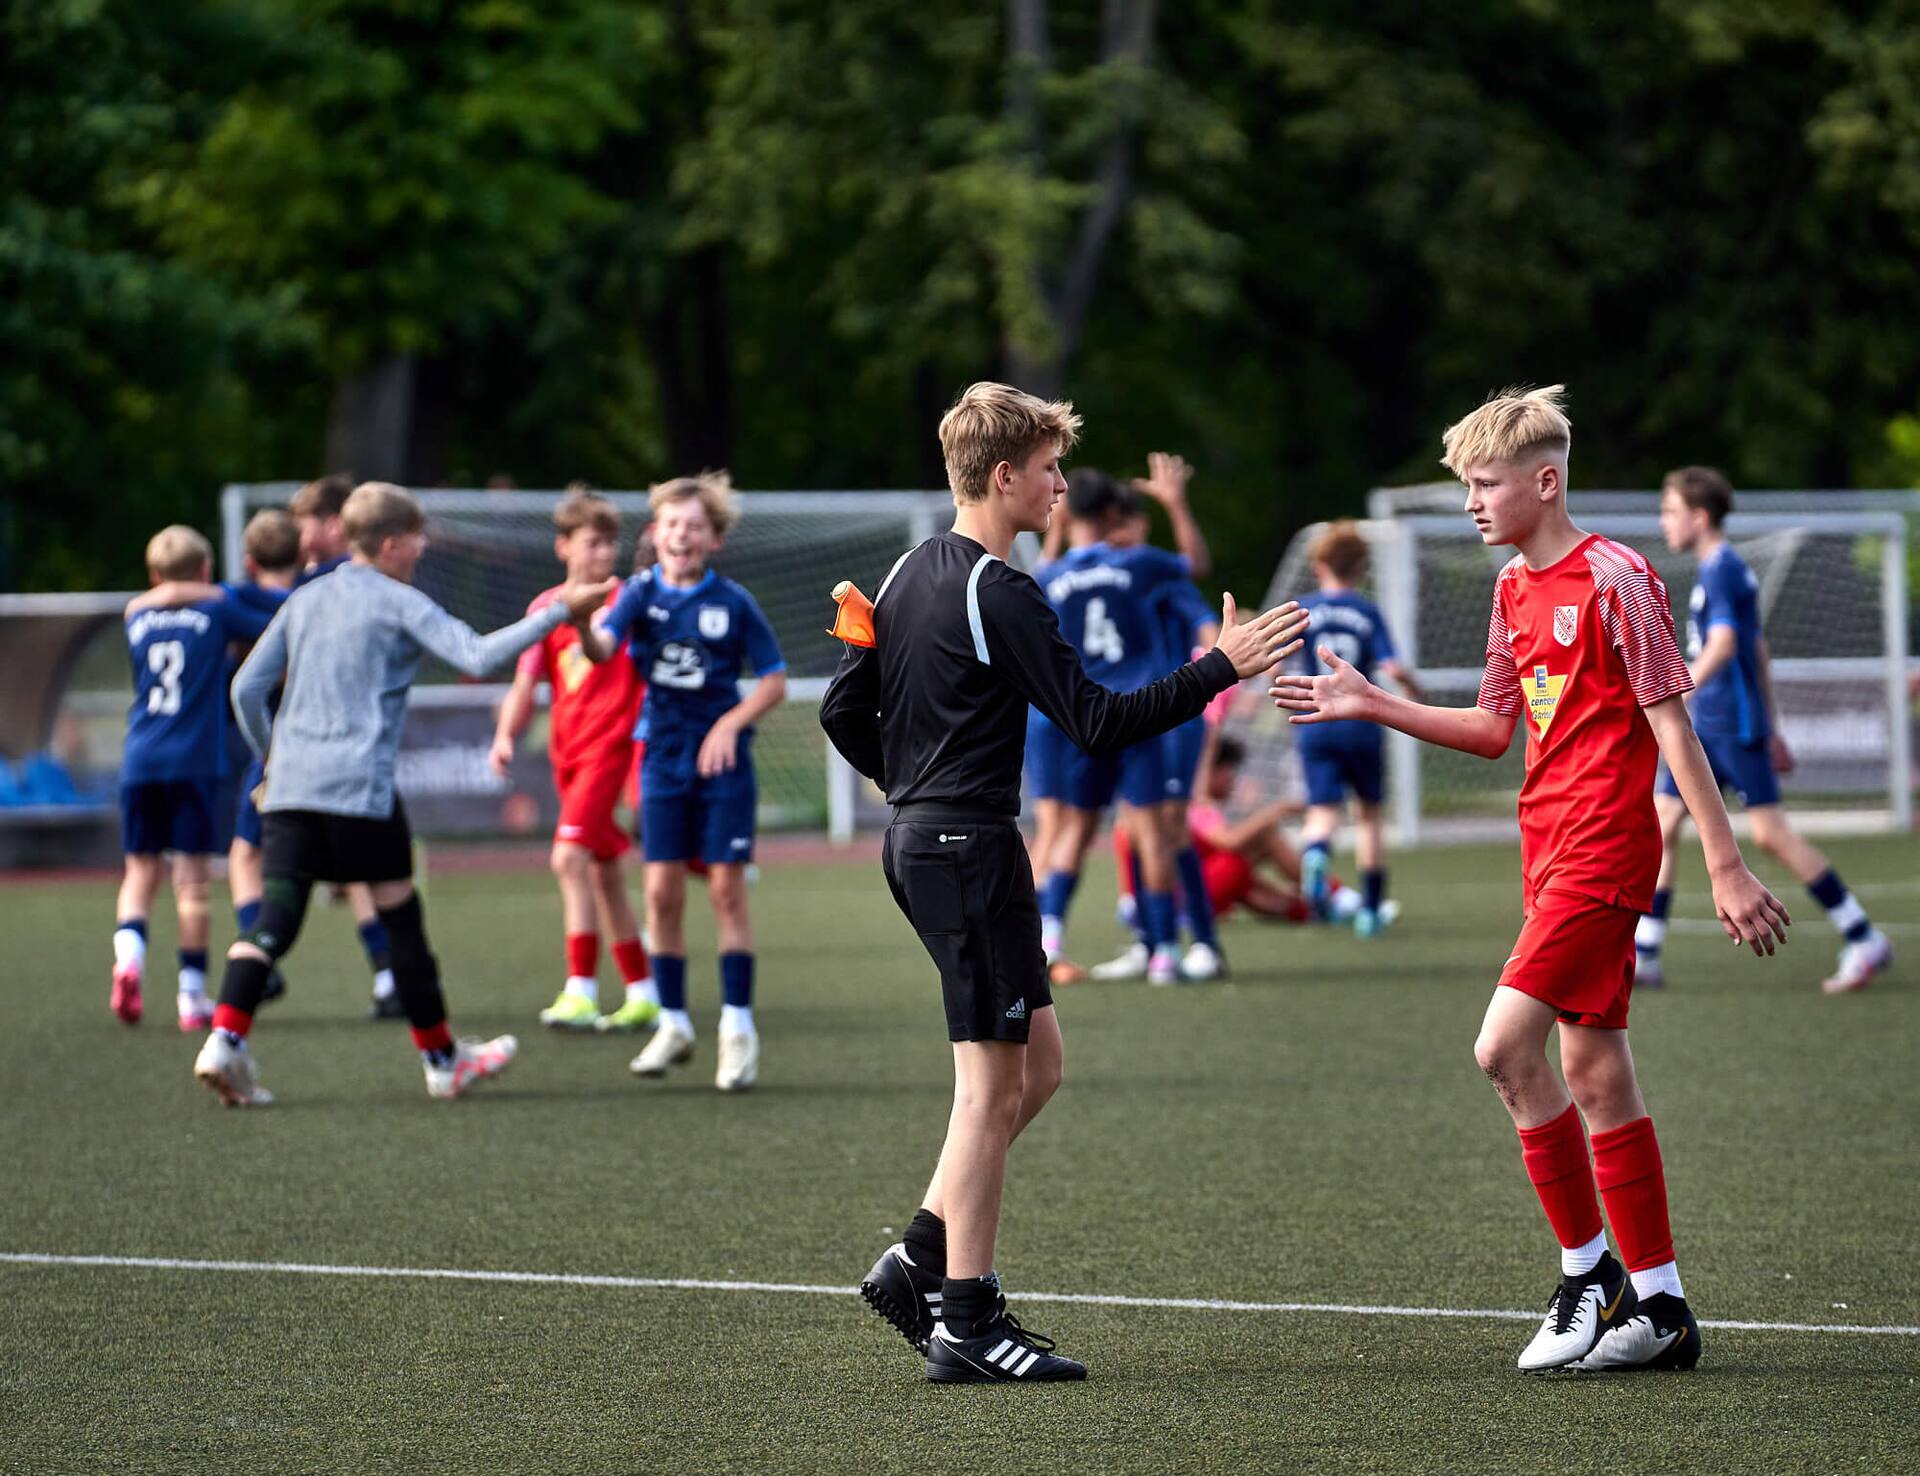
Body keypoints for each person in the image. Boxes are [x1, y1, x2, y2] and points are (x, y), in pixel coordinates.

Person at [1273, 385, 1789, 1373]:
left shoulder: (1617, 578)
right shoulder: (1514, 590)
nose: (1470, 501)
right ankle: (1664, 1310)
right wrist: (1370, 701)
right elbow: (1493, 729)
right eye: (1465, 483)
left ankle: (1588, 1273)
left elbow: (1672, 725)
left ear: (1545, 482)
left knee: (1502, 1050)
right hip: (1545, 850)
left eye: (1484, 482)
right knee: (1593, 1072)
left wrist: (1725, 866)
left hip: (1605, 852)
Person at [821, 381, 1307, 1384]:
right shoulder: (997, 588)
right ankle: (965, 1319)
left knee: (1035, 1069)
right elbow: (1096, 721)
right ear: (1005, 475)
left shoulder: (909, 569)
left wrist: (909, 785)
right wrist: (1222, 665)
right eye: (1047, 470)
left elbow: (839, 710)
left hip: (939, 840)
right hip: (964, 846)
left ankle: (919, 1261)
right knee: (990, 1090)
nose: (1059, 487)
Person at [193, 483, 615, 1106]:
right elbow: (477, 651)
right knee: (402, 922)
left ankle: (225, 1040)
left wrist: (272, 761)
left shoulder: (306, 598)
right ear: (391, 544)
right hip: (360, 791)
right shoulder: (400, 601)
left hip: (289, 791)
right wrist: (562, 612)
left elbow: (245, 691)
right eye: (417, 537)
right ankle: (444, 1061)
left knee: (274, 922)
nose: (422, 548)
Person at [1638, 467, 1891, 995]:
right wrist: (1774, 725)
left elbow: (1728, 644)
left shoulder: (1722, 569)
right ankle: (1645, 953)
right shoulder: (1720, 568)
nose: (1664, 521)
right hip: (1711, 726)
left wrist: (1678, 690)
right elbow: (1759, 649)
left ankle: (1862, 935)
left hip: (1730, 725)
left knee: (1770, 834)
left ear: (1699, 517)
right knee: (1661, 824)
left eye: (1670, 511)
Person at [576, 473, 787, 1092]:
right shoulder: (639, 594)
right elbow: (601, 651)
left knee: (725, 890)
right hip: (663, 761)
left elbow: (773, 680)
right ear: (656, 534)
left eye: (694, 526)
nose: (681, 536)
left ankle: (738, 1028)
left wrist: (730, 723)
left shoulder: (735, 602)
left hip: (723, 766)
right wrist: (583, 622)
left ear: (713, 539)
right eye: (671, 525)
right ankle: (671, 1022)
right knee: (662, 894)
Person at [1030, 468, 1210, 986]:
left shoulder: (1049, 575)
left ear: (1066, 513)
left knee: (1070, 829)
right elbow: (1195, 566)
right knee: (1151, 833)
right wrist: (1175, 503)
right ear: (1113, 515)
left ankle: (1050, 936)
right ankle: (1161, 955)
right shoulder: (1140, 564)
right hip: (1137, 712)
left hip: (1081, 716)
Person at [489, 487, 656, 1032]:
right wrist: (505, 736)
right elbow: (525, 680)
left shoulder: (630, 602)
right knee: (605, 872)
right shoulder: (546, 608)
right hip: (570, 753)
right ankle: (642, 991)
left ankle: (580, 990)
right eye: (593, 542)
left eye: (611, 542)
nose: (605, 552)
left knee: (567, 859)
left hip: (612, 749)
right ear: (564, 547)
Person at [114, 527, 275, 1030]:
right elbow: (274, 626)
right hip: (194, 761)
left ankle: (129, 962)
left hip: (139, 758)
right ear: (206, 570)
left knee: (139, 871)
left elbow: (157, 599)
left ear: (155, 574)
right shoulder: (217, 610)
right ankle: (190, 996)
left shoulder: (135, 613)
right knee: (192, 885)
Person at [289, 473, 404, 1016]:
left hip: (312, 754)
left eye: (305, 522)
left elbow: (250, 685)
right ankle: (395, 982)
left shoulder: (335, 584)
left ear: (335, 525)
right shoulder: (318, 582)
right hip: (330, 755)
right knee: (366, 876)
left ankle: (232, 1013)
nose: (297, 532)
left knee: (263, 871)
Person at [1294, 521, 1421, 937]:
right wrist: (1414, 692)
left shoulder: (1303, 609)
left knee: (1322, 810)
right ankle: (1369, 910)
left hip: (1314, 719)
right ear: (1361, 569)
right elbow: (1392, 666)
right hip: (1361, 721)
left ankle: (1315, 852)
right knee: (1368, 816)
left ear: (1318, 565)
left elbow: (1278, 663)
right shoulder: (1366, 610)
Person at [224, 510, 302, 1007]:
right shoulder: (319, 594)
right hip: (326, 741)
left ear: (249, 561)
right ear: (301, 554)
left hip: (274, 747)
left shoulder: (231, 600)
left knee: (245, 854)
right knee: (368, 871)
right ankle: (385, 971)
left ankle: (257, 954)